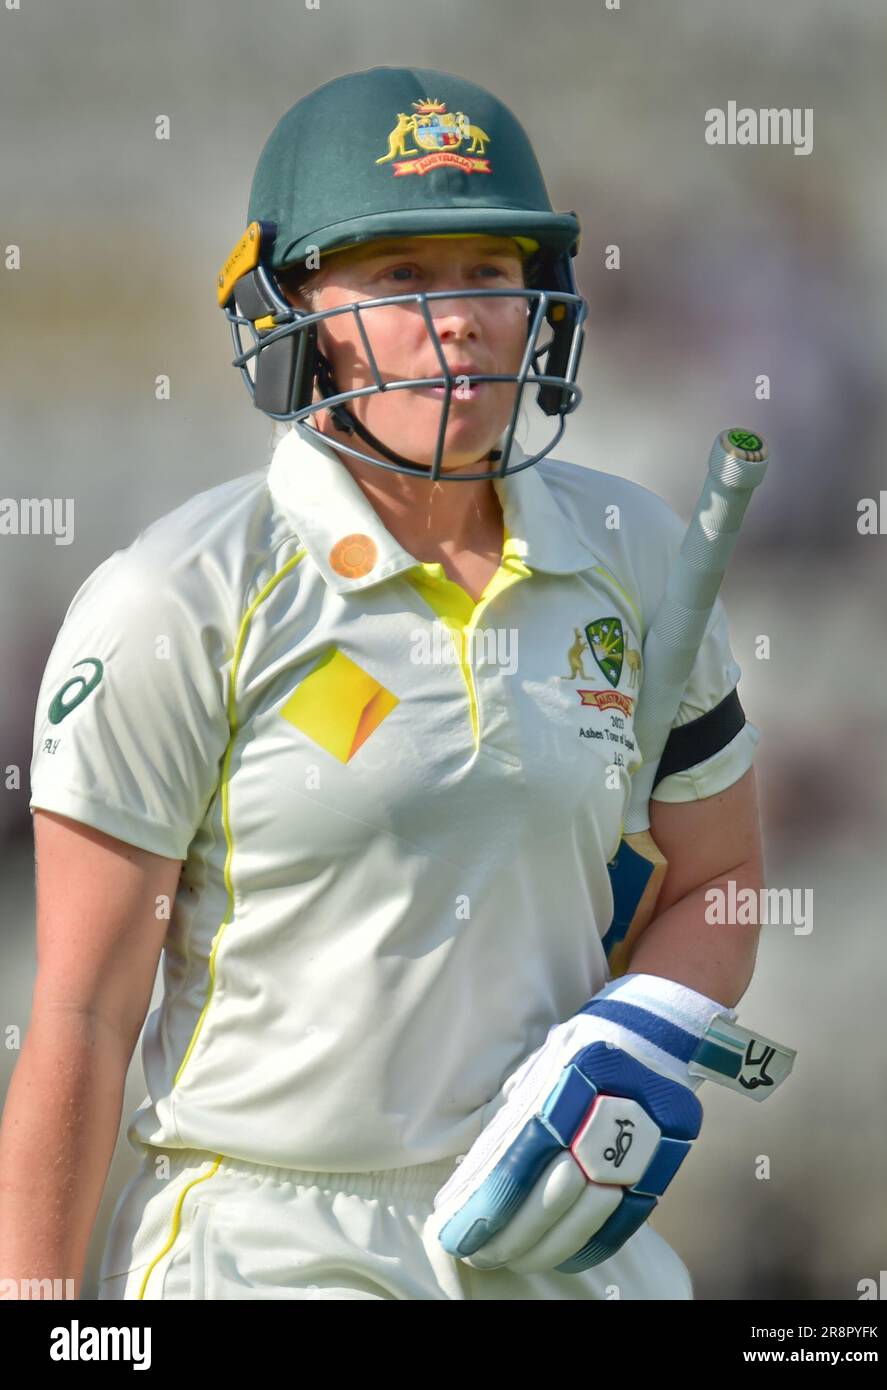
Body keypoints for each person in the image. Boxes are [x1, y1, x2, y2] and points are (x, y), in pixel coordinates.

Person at [1, 67, 767, 1301]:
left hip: (549, 1228)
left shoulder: (635, 557)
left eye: (487, 273)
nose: (456, 317)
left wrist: (632, 1032)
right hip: (264, 1237)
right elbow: (85, 1018)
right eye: (402, 278)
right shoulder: (178, 597)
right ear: (293, 310)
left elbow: (721, 881)